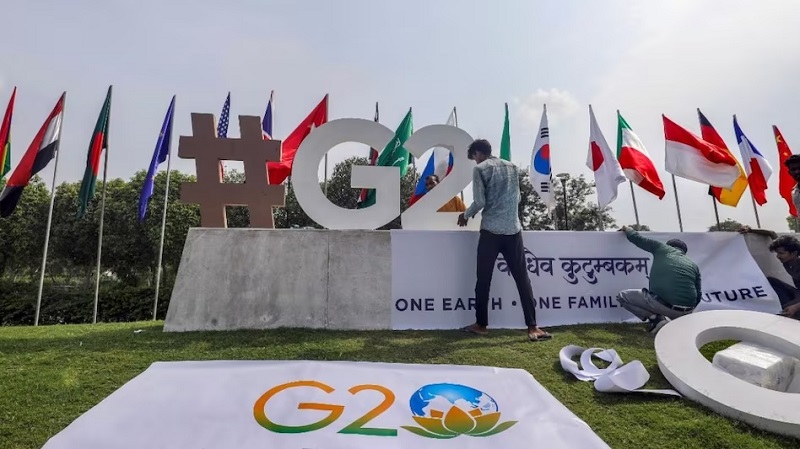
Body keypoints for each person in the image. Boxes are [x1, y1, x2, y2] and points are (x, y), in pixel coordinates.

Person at [456, 139, 551, 341]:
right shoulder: (512, 167)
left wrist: (465, 215)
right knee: (522, 279)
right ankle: (533, 327)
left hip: (491, 231)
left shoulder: (480, 169)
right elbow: (517, 198)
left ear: (478, 153)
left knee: (483, 280)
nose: (475, 161)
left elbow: (480, 201)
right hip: (513, 230)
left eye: (474, 157)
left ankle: (481, 325)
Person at [616, 226, 702, 335]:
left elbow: (638, 239)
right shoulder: (693, 265)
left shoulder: (662, 248)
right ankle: (677, 321)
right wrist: (687, 311)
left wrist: (628, 229)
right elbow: (699, 295)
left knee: (622, 296)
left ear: (668, 246)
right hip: (686, 312)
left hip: (662, 305)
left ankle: (656, 319)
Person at [737, 226, 800, 319]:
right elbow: (771, 233)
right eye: (777, 253)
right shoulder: (788, 260)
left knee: (785, 311)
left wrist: (795, 307)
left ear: (794, 253)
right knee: (771, 280)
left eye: (781, 253)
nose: (778, 256)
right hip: (798, 292)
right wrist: (750, 230)